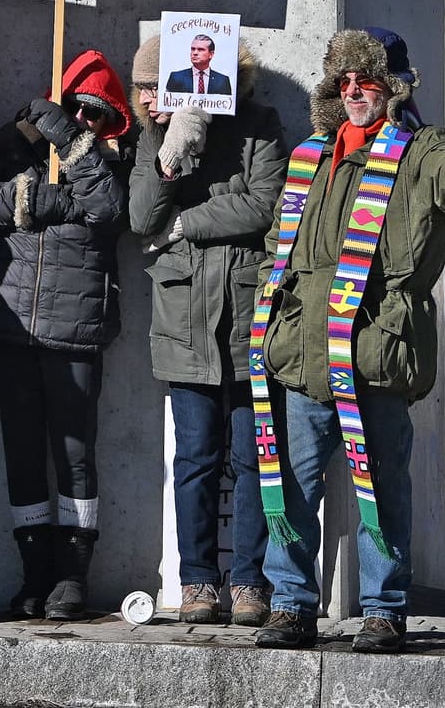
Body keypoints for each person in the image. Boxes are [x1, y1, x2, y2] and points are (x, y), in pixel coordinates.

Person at [251, 28, 445, 654]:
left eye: (365, 81)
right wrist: (270, 314)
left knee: (381, 491)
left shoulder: (422, 151)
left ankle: (384, 609)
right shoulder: (311, 155)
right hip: (303, 355)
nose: (354, 93)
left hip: (376, 355)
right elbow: (276, 249)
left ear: (392, 87)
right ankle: (290, 605)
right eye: (343, 83)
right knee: (288, 487)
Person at [0, 50, 132, 620]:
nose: (85, 119)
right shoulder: (16, 144)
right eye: (74, 108)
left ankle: (72, 577)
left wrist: (70, 141)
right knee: (22, 451)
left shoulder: (113, 157)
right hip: (12, 321)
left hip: (75, 323)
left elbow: (106, 206)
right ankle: (34, 574)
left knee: (74, 453)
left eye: (95, 112)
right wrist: (27, 201)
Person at [127, 33, 287, 627]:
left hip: (248, 311)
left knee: (252, 458)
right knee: (195, 456)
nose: (150, 97)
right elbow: (140, 216)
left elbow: (263, 205)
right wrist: (171, 151)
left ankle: (249, 582)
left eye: (155, 85)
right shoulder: (152, 136)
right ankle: (197, 582)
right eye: (143, 87)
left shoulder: (259, 123)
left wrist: (181, 227)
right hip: (183, 315)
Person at [165, 34, 233, 97]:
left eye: (200, 49)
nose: (195, 53)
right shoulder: (176, 77)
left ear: (211, 54)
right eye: (193, 49)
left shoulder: (222, 81)